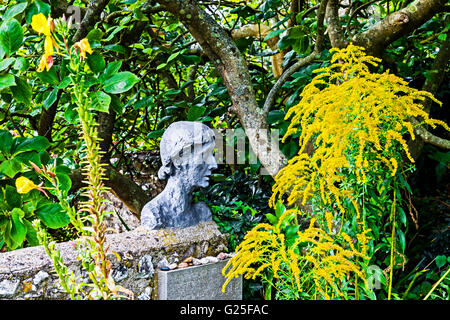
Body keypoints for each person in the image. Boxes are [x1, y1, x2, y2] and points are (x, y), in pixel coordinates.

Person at [141, 121, 218, 230]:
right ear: (179, 161)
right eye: (204, 155)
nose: (214, 164)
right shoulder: (154, 215)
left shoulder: (202, 213)